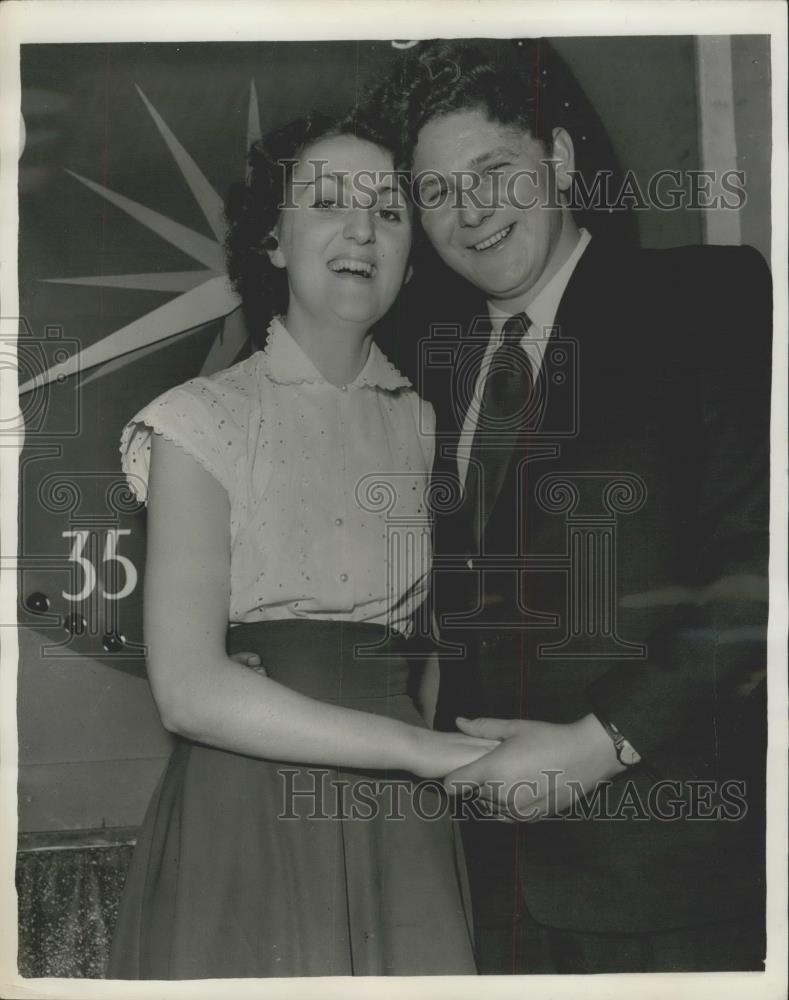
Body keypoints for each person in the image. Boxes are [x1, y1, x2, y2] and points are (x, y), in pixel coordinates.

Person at [380, 39, 771, 974]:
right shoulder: (423, 363)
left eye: (494, 172)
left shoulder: (705, 299)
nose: (469, 213)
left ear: (556, 158)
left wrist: (601, 745)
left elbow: (759, 568)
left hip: (671, 879)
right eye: (437, 192)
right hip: (480, 895)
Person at [106, 108, 498, 979]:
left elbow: (433, 655)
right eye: (328, 202)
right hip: (249, 810)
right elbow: (190, 691)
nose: (362, 229)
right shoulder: (198, 420)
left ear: (410, 253)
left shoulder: (432, 427)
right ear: (274, 241)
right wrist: (421, 752)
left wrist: (424, 747)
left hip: (401, 824)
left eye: (391, 212)